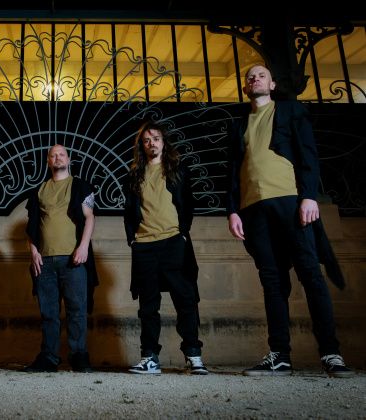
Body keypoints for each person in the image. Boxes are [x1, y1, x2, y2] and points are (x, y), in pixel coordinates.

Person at [226, 63, 353, 378]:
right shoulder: (238, 124)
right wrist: (233, 210)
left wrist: (309, 196)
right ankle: (280, 355)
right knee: (272, 281)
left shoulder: (290, 111)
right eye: (250, 76)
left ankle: (331, 353)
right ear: (245, 87)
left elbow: (308, 153)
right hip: (253, 209)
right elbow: (233, 170)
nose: (255, 79)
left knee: (310, 274)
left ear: (272, 85)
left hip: (289, 200)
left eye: (262, 75)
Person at [123, 121, 207, 375]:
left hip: (173, 241)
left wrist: (182, 234)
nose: (152, 143)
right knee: (148, 305)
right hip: (144, 245)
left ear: (164, 142)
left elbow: (188, 204)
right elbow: (129, 211)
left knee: (186, 299)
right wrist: (133, 240)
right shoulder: (134, 175)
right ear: (142, 146)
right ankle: (150, 358)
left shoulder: (178, 170)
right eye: (147, 140)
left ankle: (193, 355)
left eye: (156, 139)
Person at [24, 144, 98, 372]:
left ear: (68, 159)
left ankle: (79, 356)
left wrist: (83, 247)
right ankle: (49, 358)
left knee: (77, 310)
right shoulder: (39, 190)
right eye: (53, 155)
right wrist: (33, 251)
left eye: (61, 154)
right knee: (48, 313)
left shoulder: (80, 186)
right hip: (45, 260)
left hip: (73, 258)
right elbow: (32, 226)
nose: (57, 158)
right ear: (48, 161)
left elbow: (89, 217)